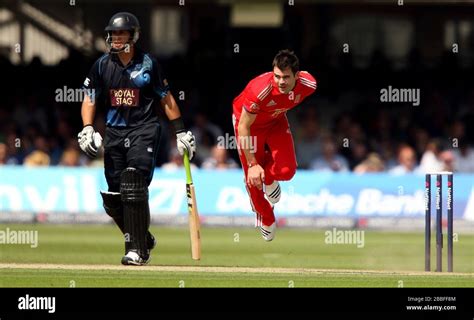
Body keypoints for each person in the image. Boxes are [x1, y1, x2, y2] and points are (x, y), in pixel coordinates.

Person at [78, 12, 196, 265]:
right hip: (114, 133)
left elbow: (166, 98)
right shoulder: (101, 65)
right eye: (113, 33)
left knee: (133, 181)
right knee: (113, 198)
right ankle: (142, 237)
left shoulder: (148, 64)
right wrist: (87, 127)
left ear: (133, 35)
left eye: (121, 33)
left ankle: (137, 251)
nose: (116, 38)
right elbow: (90, 97)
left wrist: (181, 131)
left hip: (144, 129)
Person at [232, 50, 316, 241]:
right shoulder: (260, 90)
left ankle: (269, 178)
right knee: (253, 179)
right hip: (249, 126)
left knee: (287, 170)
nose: (281, 82)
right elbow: (244, 125)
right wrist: (253, 165)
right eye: (277, 76)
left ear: (297, 75)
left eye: (286, 77)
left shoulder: (309, 84)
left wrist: (267, 176)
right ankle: (267, 217)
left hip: (276, 121)